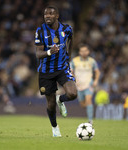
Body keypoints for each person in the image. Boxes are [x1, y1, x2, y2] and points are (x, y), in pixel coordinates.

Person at [34, 5, 77, 137]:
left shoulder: (66, 29)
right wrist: (49, 51)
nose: (47, 16)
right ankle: (55, 127)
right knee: (51, 104)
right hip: (46, 72)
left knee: (72, 94)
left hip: (62, 68)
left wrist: (68, 55)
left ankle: (61, 99)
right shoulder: (40, 31)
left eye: (51, 14)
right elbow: (38, 54)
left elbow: (71, 38)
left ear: (57, 16)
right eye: (46, 14)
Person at [71, 44, 100, 125]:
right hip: (79, 85)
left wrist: (96, 80)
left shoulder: (92, 61)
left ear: (88, 52)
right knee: (83, 105)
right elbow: (70, 71)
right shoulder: (74, 61)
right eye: (82, 51)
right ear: (79, 52)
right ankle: (89, 109)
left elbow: (97, 71)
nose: (84, 52)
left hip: (89, 84)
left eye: (85, 51)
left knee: (89, 100)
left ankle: (90, 120)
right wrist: (73, 80)